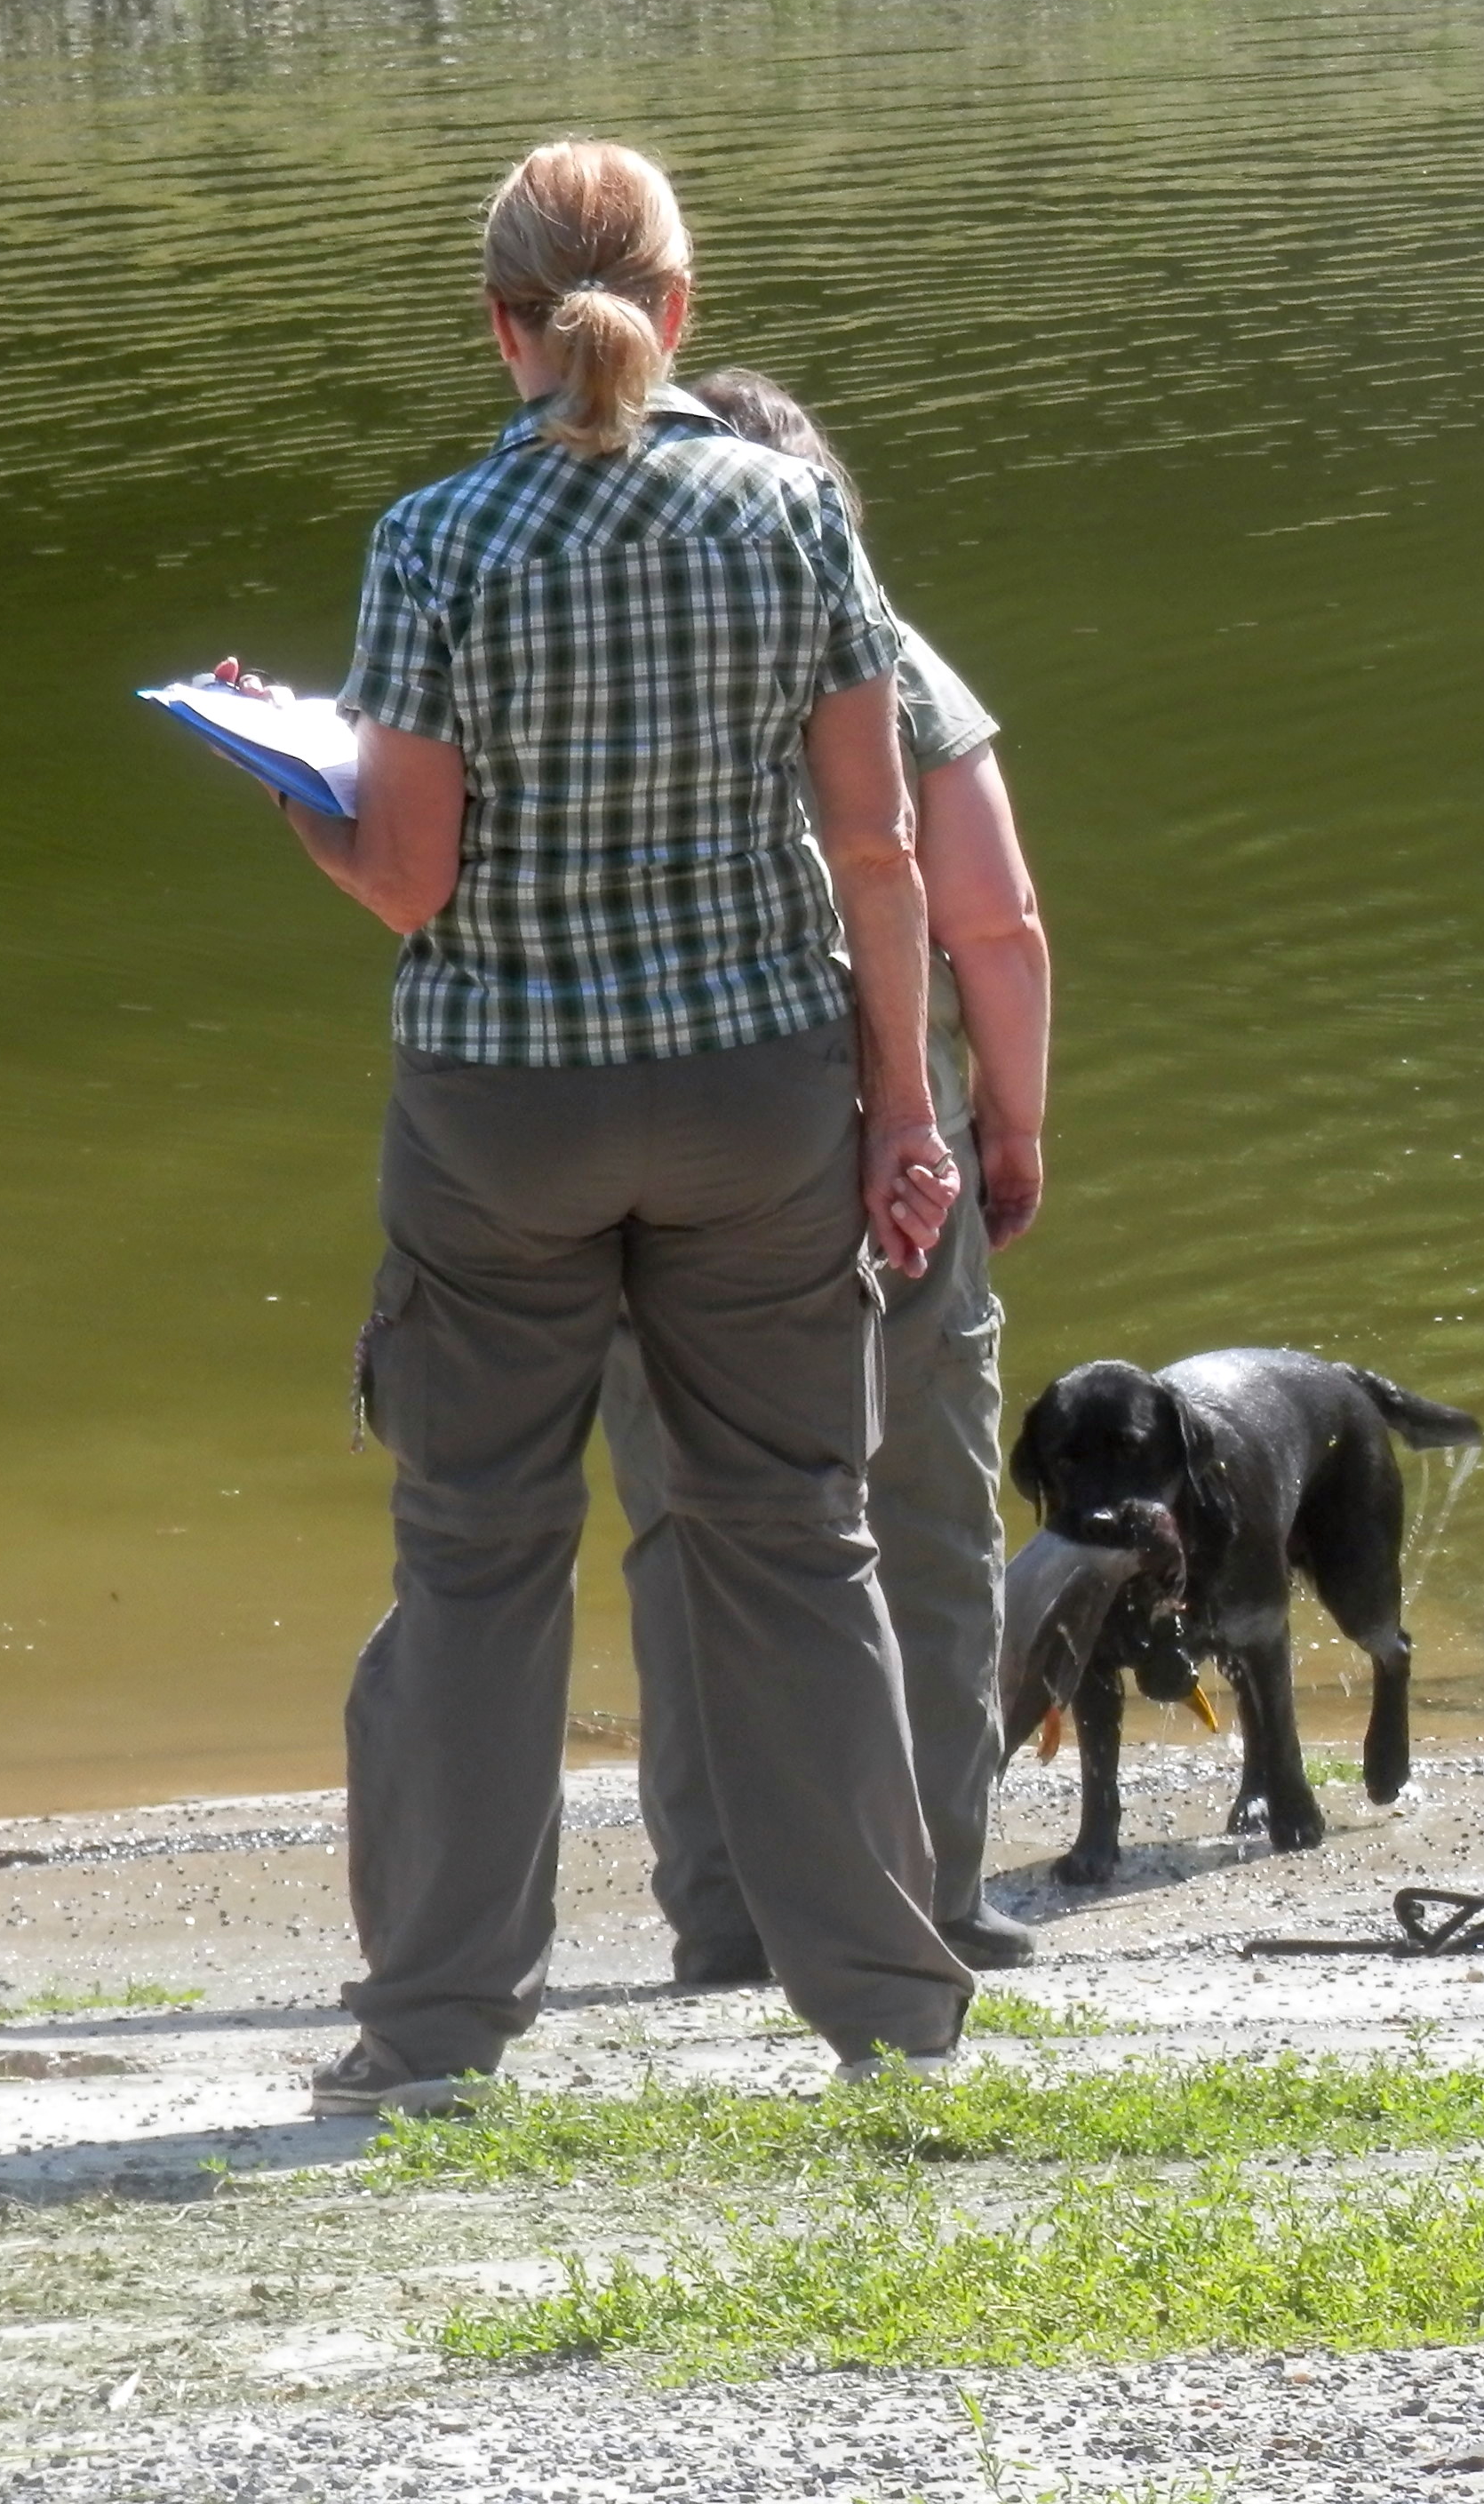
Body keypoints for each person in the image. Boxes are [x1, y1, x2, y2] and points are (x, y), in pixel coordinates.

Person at [279, 140, 973, 2108]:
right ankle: (888, 2013)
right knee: (795, 1543)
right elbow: (875, 841)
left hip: (503, 1108)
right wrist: (900, 1107)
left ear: (495, 322)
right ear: (677, 307)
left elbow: (409, 879)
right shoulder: (789, 518)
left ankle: (432, 2034)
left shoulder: (435, 538)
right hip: (761, 1088)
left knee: (475, 1560)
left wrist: (288, 791)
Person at [599, 368, 1050, 1986]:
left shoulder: (604, 659)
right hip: (882, 1149)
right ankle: (930, 1890)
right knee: (923, 1519)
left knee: (690, 1530)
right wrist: (1012, 1120)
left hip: (652, 1145)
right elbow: (991, 919)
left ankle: (726, 1914)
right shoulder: (894, 660)